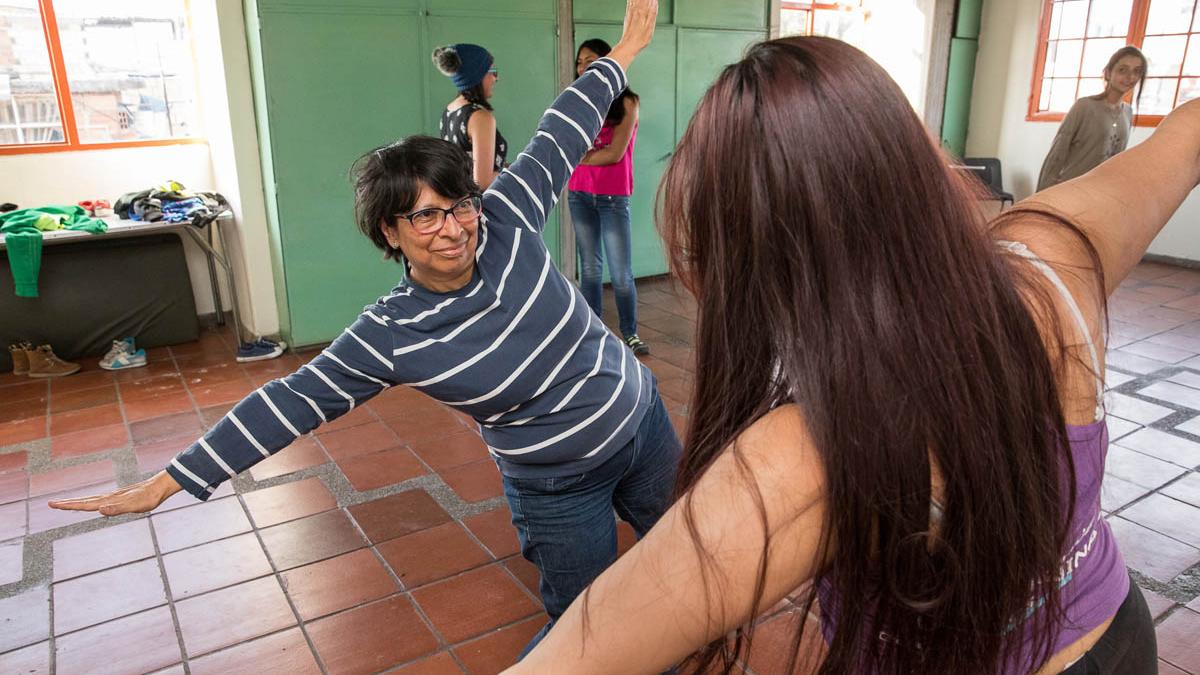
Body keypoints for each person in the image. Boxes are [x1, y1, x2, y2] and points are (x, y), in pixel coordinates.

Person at [507, 35, 1192, 675]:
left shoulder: (804, 457)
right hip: (1120, 637)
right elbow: (1188, 132)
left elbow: (569, 656)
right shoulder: (1052, 253)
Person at [51, 0, 673, 658]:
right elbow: (289, 403)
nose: (456, 227)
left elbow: (561, 130)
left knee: (689, 556)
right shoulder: (393, 333)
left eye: (458, 204)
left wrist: (624, 52)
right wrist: (170, 479)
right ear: (390, 232)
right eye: (427, 217)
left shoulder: (506, 214)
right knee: (590, 631)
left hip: (644, 425)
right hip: (558, 483)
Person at [569, 38, 648, 355]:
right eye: (580, 61)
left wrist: (580, 157)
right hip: (579, 193)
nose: (583, 66)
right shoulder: (577, 100)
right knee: (589, 269)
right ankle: (594, 332)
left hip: (612, 196)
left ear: (608, 61)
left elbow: (615, 153)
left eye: (591, 59)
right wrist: (583, 155)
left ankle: (630, 333)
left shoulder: (628, 103)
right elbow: (570, 142)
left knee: (620, 273)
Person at [1037, 46, 1146, 191]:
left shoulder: (1128, 112)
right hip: (1069, 190)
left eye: (1136, 72)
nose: (1130, 77)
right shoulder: (1084, 106)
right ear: (1108, 73)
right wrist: (1041, 196)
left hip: (1100, 194)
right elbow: (1057, 153)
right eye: (1122, 70)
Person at [434, 42, 506, 189]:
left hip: (462, 205)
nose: (495, 78)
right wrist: (518, 172)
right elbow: (482, 182)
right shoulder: (480, 117)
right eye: (492, 71)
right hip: (485, 207)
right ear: (477, 74)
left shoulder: (450, 110)